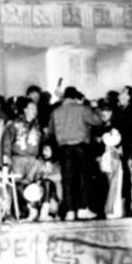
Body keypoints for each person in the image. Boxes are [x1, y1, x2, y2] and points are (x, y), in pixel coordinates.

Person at [49, 86, 100, 221]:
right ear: (75, 97)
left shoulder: (56, 111)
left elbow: (51, 131)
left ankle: (70, 211)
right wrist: (93, 107)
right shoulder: (81, 109)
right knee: (84, 178)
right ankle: (83, 208)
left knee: (67, 180)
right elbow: (97, 121)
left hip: (64, 149)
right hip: (81, 147)